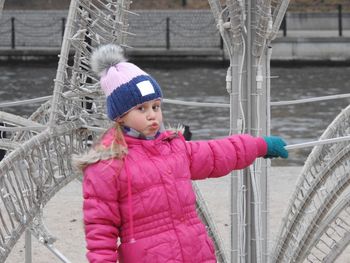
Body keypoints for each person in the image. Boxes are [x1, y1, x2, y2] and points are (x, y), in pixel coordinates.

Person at [75, 44, 288, 263]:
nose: (152, 116)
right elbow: (100, 229)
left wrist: (259, 146)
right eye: (142, 109)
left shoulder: (174, 147)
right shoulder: (107, 164)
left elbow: (217, 153)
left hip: (196, 252)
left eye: (156, 107)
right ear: (120, 116)